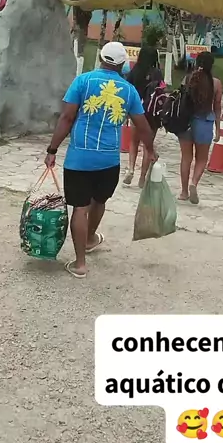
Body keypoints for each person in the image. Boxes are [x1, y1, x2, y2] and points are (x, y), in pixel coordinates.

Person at [44, 41, 155, 279]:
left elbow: (66, 118)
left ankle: (80, 264)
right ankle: (90, 238)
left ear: (101, 58)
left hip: (79, 158)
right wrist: (150, 150)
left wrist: (52, 149)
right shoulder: (129, 91)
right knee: (100, 200)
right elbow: (143, 125)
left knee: (80, 208)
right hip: (109, 160)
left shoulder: (82, 81)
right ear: (123, 64)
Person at [178, 51, 222, 204]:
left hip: (186, 123)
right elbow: (217, 107)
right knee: (201, 159)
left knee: (186, 158)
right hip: (204, 122)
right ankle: (194, 183)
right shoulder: (216, 83)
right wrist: (218, 128)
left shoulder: (188, 79)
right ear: (211, 65)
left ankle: (184, 192)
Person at [123, 45, 160, 186]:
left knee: (134, 142)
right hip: (152, 113)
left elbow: (127, 90)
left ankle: (131, 169)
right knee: (147, 145)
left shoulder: (135, 71)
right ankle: (142, 178)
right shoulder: (157, 73)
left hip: (136, 111)